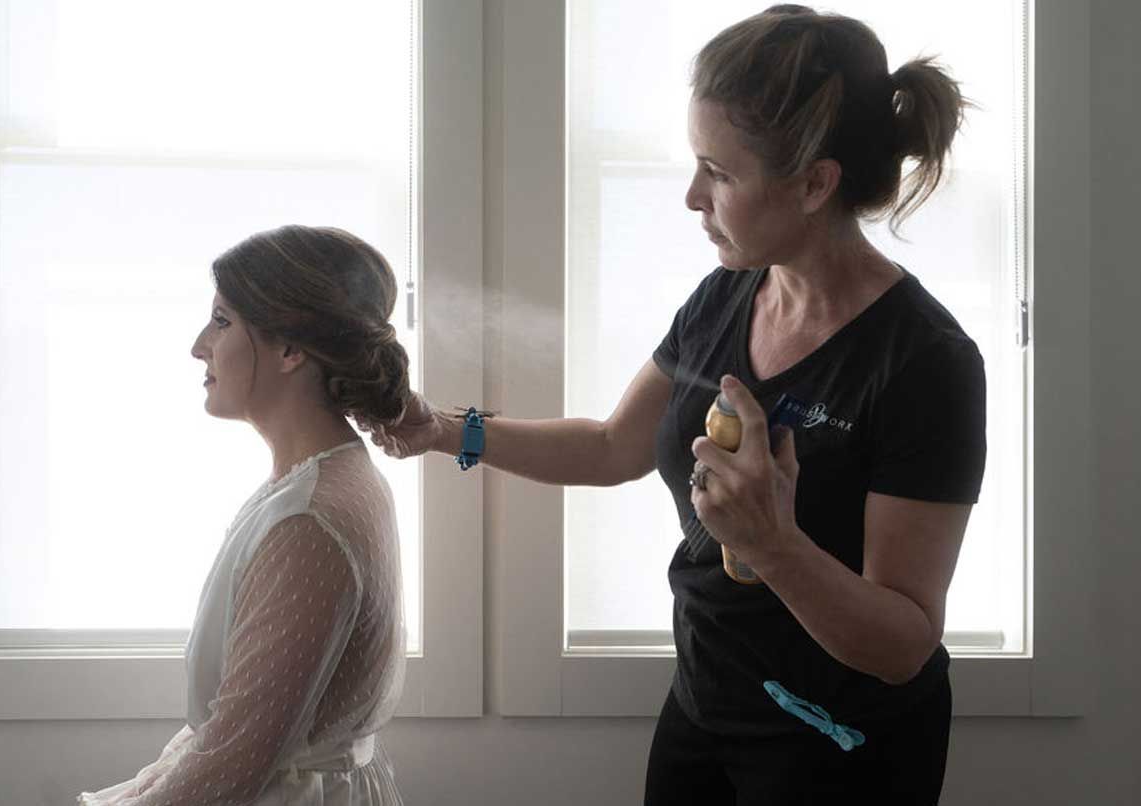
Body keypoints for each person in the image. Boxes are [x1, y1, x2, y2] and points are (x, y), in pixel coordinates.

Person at [361, 5, 985, 805]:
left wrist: (771, 545)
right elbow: (611, 447)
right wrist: (442, 430)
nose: (692, 196)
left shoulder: (925, 363)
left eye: (720, 173)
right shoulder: (725, 295)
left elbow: (902, 642)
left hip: (841, 744)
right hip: (704, 708)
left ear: (813, 183)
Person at [78, 225, 410, 806]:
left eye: (222, 321)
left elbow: (234, 758)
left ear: (290, 349)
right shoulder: (321, 481)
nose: (199, 344)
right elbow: (227, 740)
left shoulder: (309, 520)